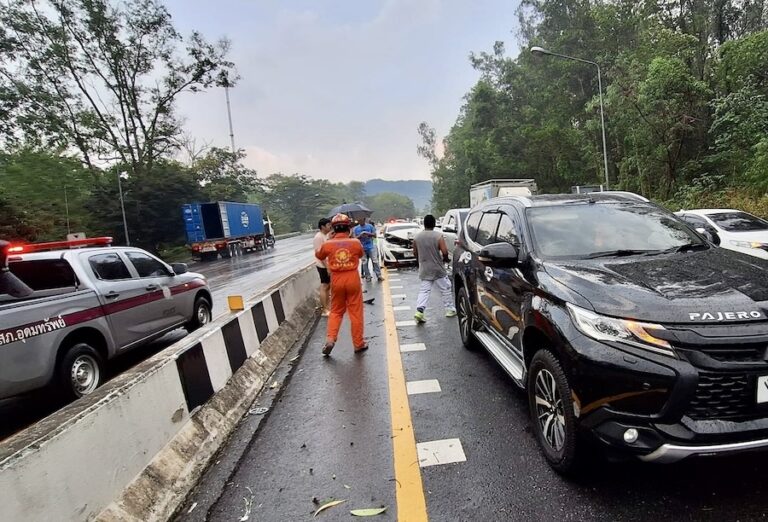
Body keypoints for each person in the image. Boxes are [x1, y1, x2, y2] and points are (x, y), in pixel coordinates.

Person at [315, 214, 368, 355]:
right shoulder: (355, 243)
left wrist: (330, 239)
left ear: (333, 229)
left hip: (336, 280)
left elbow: (319, 255)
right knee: (355, 313)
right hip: (352, 279)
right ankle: (358, 344)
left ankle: (331, 339)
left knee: (337, 311)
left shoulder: (327, 244)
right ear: (348, 228)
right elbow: (361, 254)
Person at [412, 214, 456, 322]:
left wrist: (420, 261)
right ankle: (449, 309)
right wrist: (445, 259)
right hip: (437, 268)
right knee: (445, 288)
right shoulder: (438, 236)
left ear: (424, 224)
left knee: (424, 290)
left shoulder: (417, 237)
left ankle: (419, 311)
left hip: (424, 268)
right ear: (434, 224)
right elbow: (444, 251)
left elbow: (415, 253)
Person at [353, 217, 383, 282]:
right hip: (362, 248)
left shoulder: (370, 226)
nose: (360, 221)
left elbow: (375, 235)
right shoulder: (355, 229)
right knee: (364, 262)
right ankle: (367, 276)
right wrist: (360, 235)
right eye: (359, 220)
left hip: (371, 246)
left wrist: (368, 233)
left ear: (364, 220)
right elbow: (354, 238)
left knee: (375, 261)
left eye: (361, 220)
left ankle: (379, 275)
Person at [313, 218, 332, 316]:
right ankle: (325, 309)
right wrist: (327, 267)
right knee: (324, 286)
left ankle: (328, 307)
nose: (330, 227)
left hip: (327, 264)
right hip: (322, 265)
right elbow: (320, 254)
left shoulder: (326, 236)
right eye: (328, 225)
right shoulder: (318, 237)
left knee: (328, 286)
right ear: (322, 226)